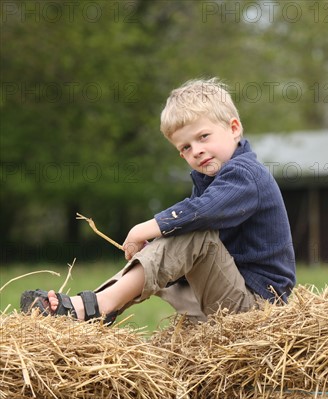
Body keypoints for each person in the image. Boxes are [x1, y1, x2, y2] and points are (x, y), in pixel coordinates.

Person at [21, 78, 296, 324]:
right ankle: (91, 306)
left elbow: (200, 213)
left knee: (189, 234)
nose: (197, 151)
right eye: (185, 147)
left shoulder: (246, 174)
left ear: (234, 128)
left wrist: (145, 228)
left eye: (203, 137)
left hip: (259, 309)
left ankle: (92, 307)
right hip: (222, 298)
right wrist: (157, 246)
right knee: (163, 246)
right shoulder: (211, 181)